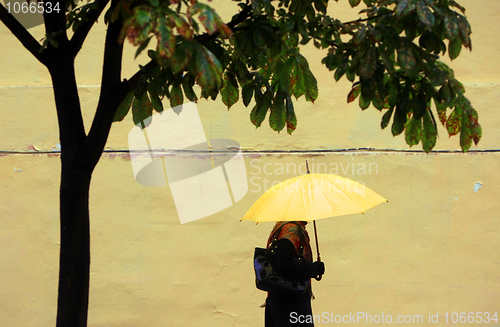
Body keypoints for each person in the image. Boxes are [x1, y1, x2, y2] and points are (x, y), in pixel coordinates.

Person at [264, 221, 325, 327]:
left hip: (278, 299)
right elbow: (285, 264)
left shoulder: (281, 227)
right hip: (291, 302)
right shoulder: (291, 230)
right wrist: (313, 269)